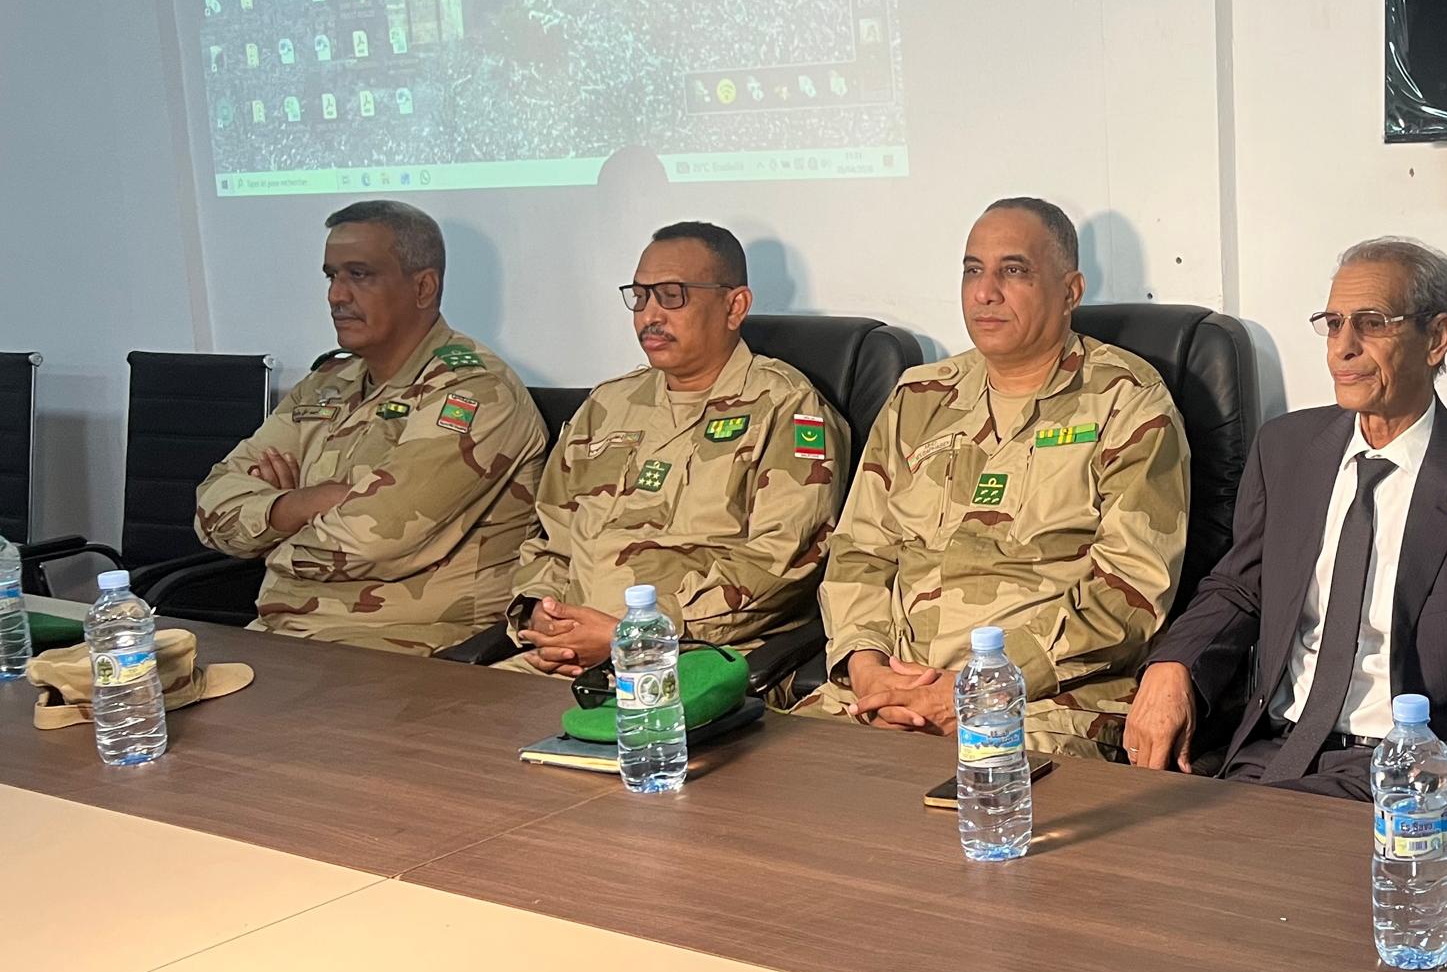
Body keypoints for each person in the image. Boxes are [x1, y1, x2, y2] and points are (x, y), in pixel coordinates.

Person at [1126, 238, 1447, 822]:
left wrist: (1414, 783)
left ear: (1437, 337)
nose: (1343, 346)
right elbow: (1241, 587)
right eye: (1333, 324)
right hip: (1270, 752)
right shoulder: (1286, 450)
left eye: (1371, 323)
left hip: (1407, 777)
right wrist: (1173, 665)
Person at [805, 197, 1189, 758]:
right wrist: (867, 669)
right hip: (892, 687)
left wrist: (979, 687)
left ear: (1070, 292)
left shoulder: (1126, 402)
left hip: (1039, 699)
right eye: (972, 271)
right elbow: (860, 551)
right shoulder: (919, 397)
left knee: (980, 788)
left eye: (1013, 271)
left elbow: (1130, 591)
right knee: (771, 776)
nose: (985, 292)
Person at [195, 200, 542, 654]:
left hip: (403, 651)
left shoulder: (475, 391)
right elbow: (211, 503)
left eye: (359, 275)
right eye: (331, 276)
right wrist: (305, 503)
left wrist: (265, 535)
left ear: (423, 287)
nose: (336, 296)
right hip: (279, 636)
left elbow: (372, 537)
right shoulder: (326, 383)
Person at [503, 222, 847, 674]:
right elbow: (551, 537)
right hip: (563, 657)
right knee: (449, 711)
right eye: (640, 297)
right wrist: (541, 611)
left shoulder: (786, 407)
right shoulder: (606, 405)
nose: (649, 315)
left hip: (688, 659)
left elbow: (783, 562)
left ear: (735, 306)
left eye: (671, 296)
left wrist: (636, 633)